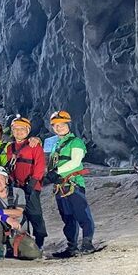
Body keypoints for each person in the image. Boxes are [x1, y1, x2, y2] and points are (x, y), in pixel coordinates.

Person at [46, 110, 96, 258]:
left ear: (68, 125)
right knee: (67, 218)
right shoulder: (55, 144)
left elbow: (75, 161)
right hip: (60, 186)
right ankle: (72, 247)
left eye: (62, 124)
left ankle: (87, 243)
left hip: (73, 183)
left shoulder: (76, 142)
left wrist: (57, 172)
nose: (59, 127)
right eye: (55, 125)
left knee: (82, 213)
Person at [0, 166, 40, 261]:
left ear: (6, 180)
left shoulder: (18, 192)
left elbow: (18, 212)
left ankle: (12, 249)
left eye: (0, 179)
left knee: (33, 254)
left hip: (16, 231)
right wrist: (6, 218)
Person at [5, 115, 48, 248]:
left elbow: (40, 166)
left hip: (31, 186)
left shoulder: (34, 146)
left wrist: (33, 183)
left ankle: (39, 243)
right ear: (12, 131)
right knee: (20, 215)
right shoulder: (10, 148)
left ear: (28, 131)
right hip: (16, 187)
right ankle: (25, 243)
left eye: (22, 129)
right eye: (16, 129)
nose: (19, 131)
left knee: (35, 215)